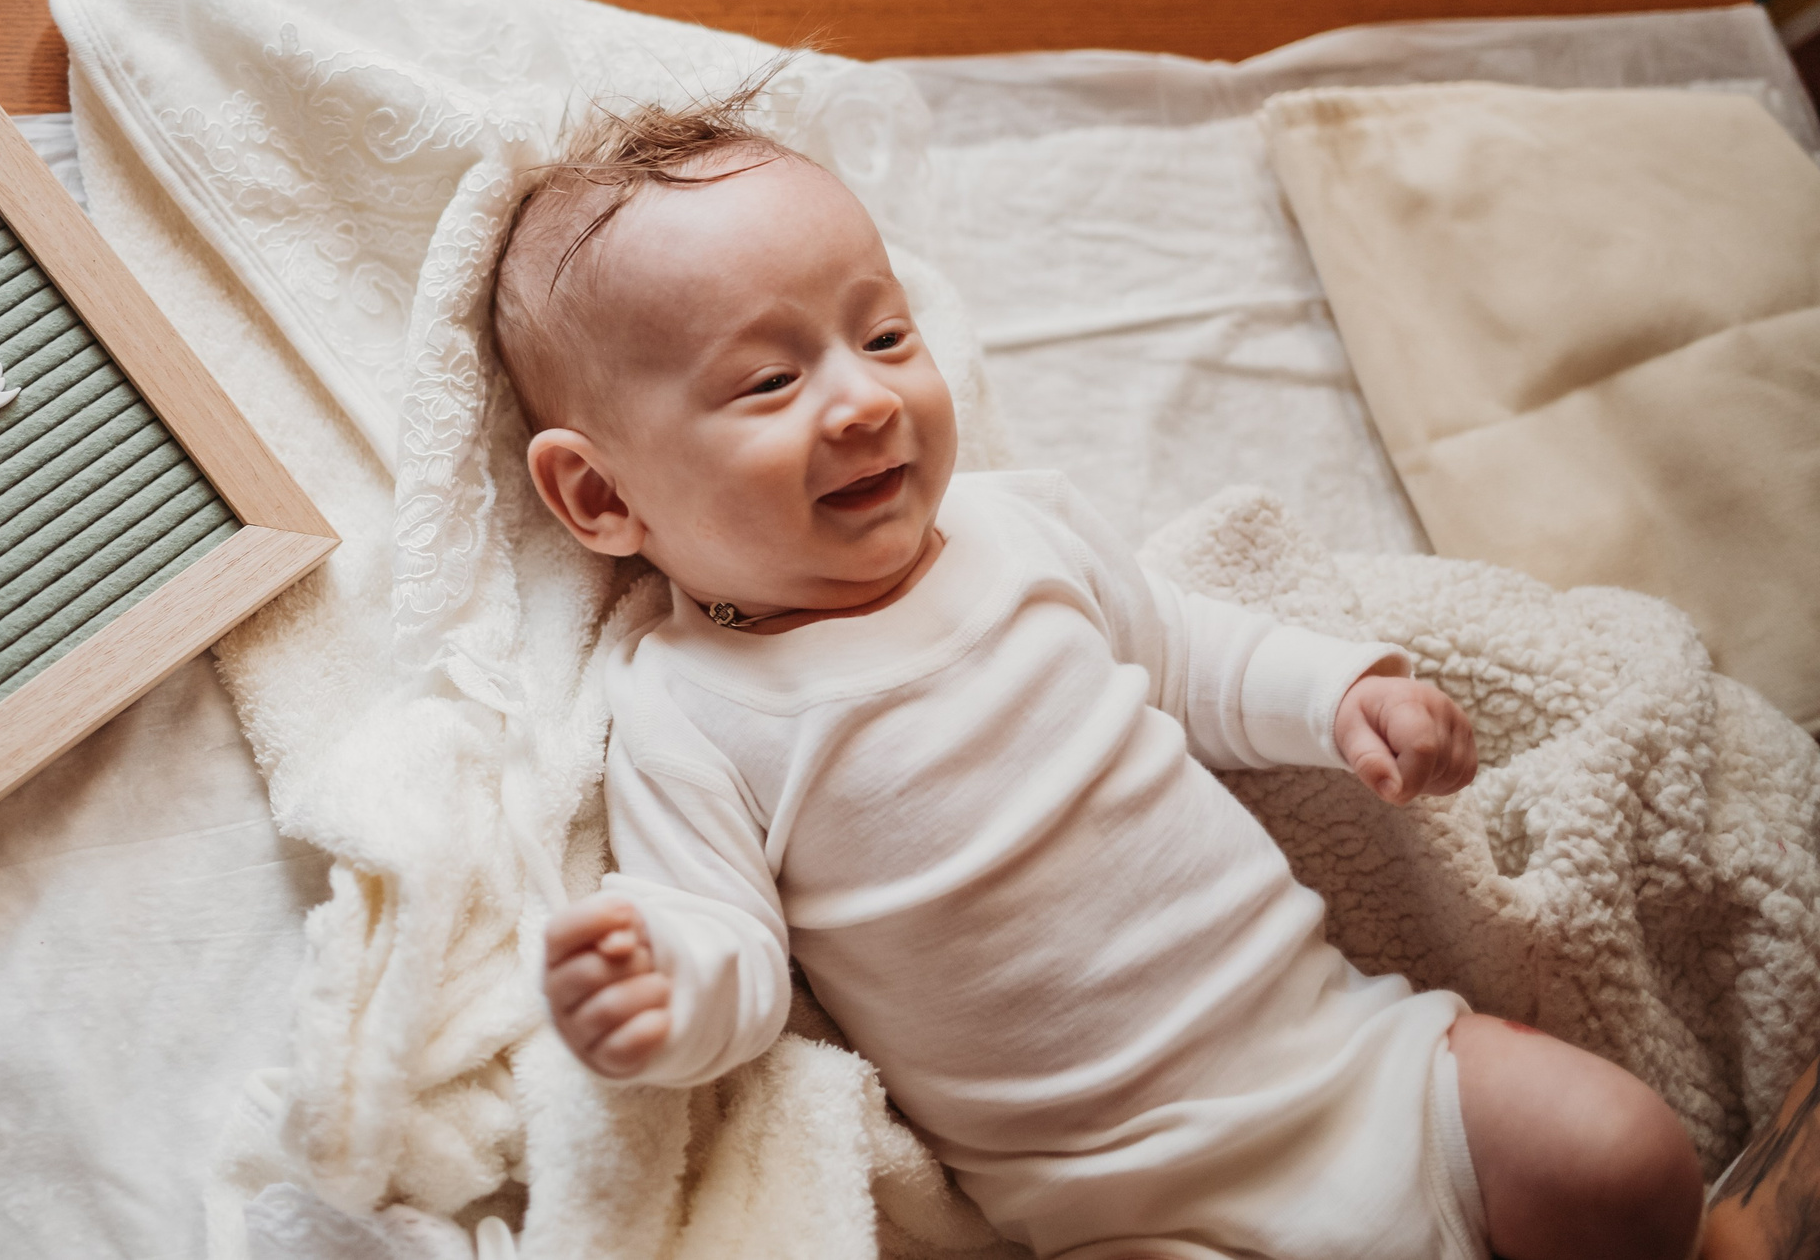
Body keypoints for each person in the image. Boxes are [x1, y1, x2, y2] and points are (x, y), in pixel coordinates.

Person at [493, 90, 1703, 1260]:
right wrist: (662, 991)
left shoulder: (1018, 534)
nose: (862, 399)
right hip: (1127, 1208)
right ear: (600, 496)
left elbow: (1188, 656)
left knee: (1625, 1157)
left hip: (1354, 1065)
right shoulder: (687, 706)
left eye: (883, 336)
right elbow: (733, 954)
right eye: (768, 381)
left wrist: (1345, 696)